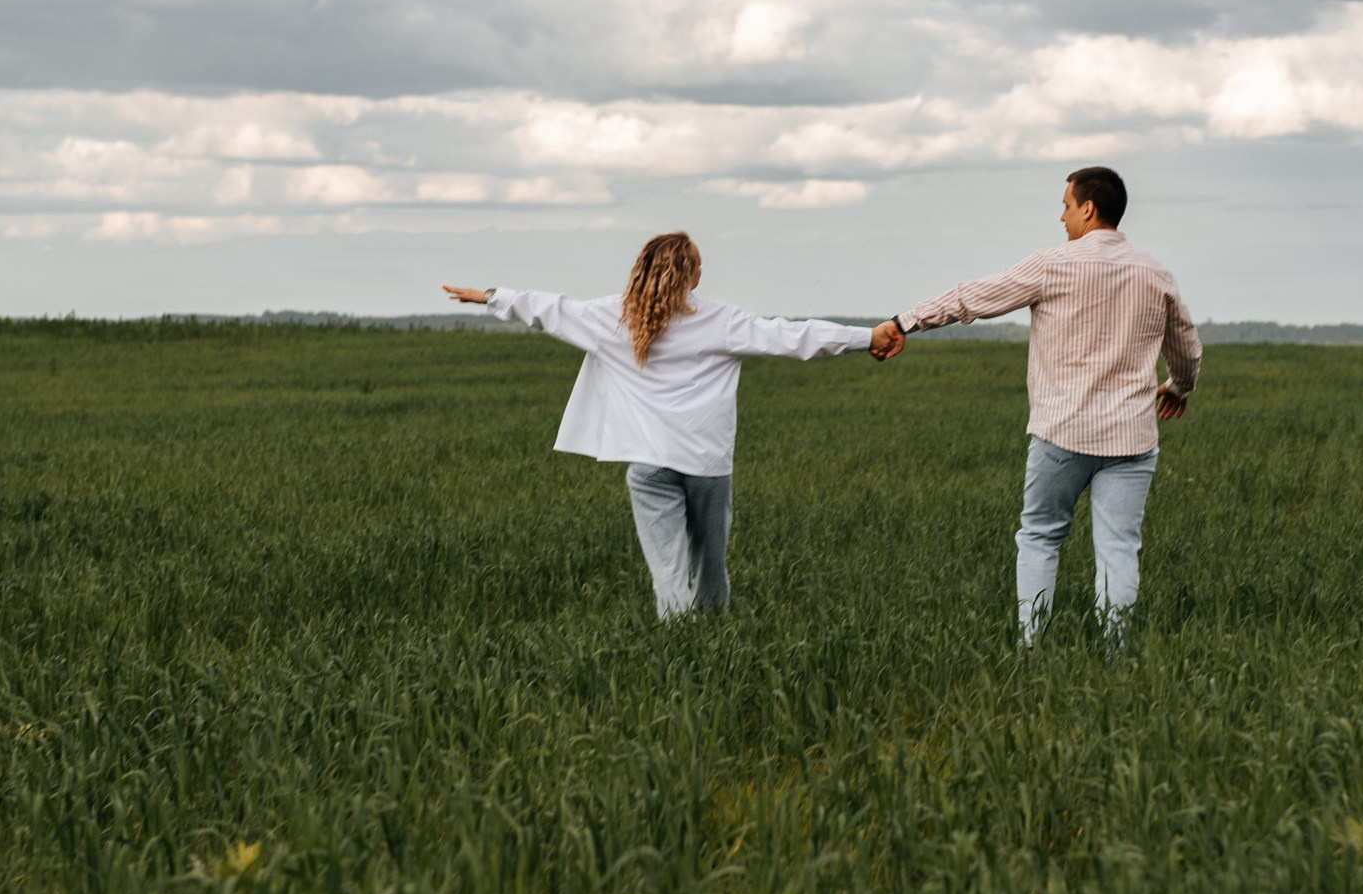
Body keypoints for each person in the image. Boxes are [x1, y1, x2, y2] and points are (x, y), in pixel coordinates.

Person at [444, 232, 874, 618]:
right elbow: (794, 337)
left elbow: (548, 309)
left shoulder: (612, 316)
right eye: (701, 264)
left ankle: (679, 644)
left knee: (667, 571)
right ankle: (713, 638)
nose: (704, 270)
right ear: (690, 275)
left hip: (648, 465)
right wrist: (869, 337)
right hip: (707, 464)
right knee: (710, 562)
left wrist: (490, 296)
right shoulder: (722, 319)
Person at [870, 167, 1200, 646]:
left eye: (1066, 205)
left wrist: (905, 321)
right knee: (1119, 549)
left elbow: (972, 298)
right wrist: (1179, 387)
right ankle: (1115, 653)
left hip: (1062, 433)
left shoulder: (1054, 264)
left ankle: (1032, 650)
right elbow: (1187, 346)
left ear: (1088, 209)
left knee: (1041, 536)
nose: (1061, 216)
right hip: (1132, 438)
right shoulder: (1156, 273)